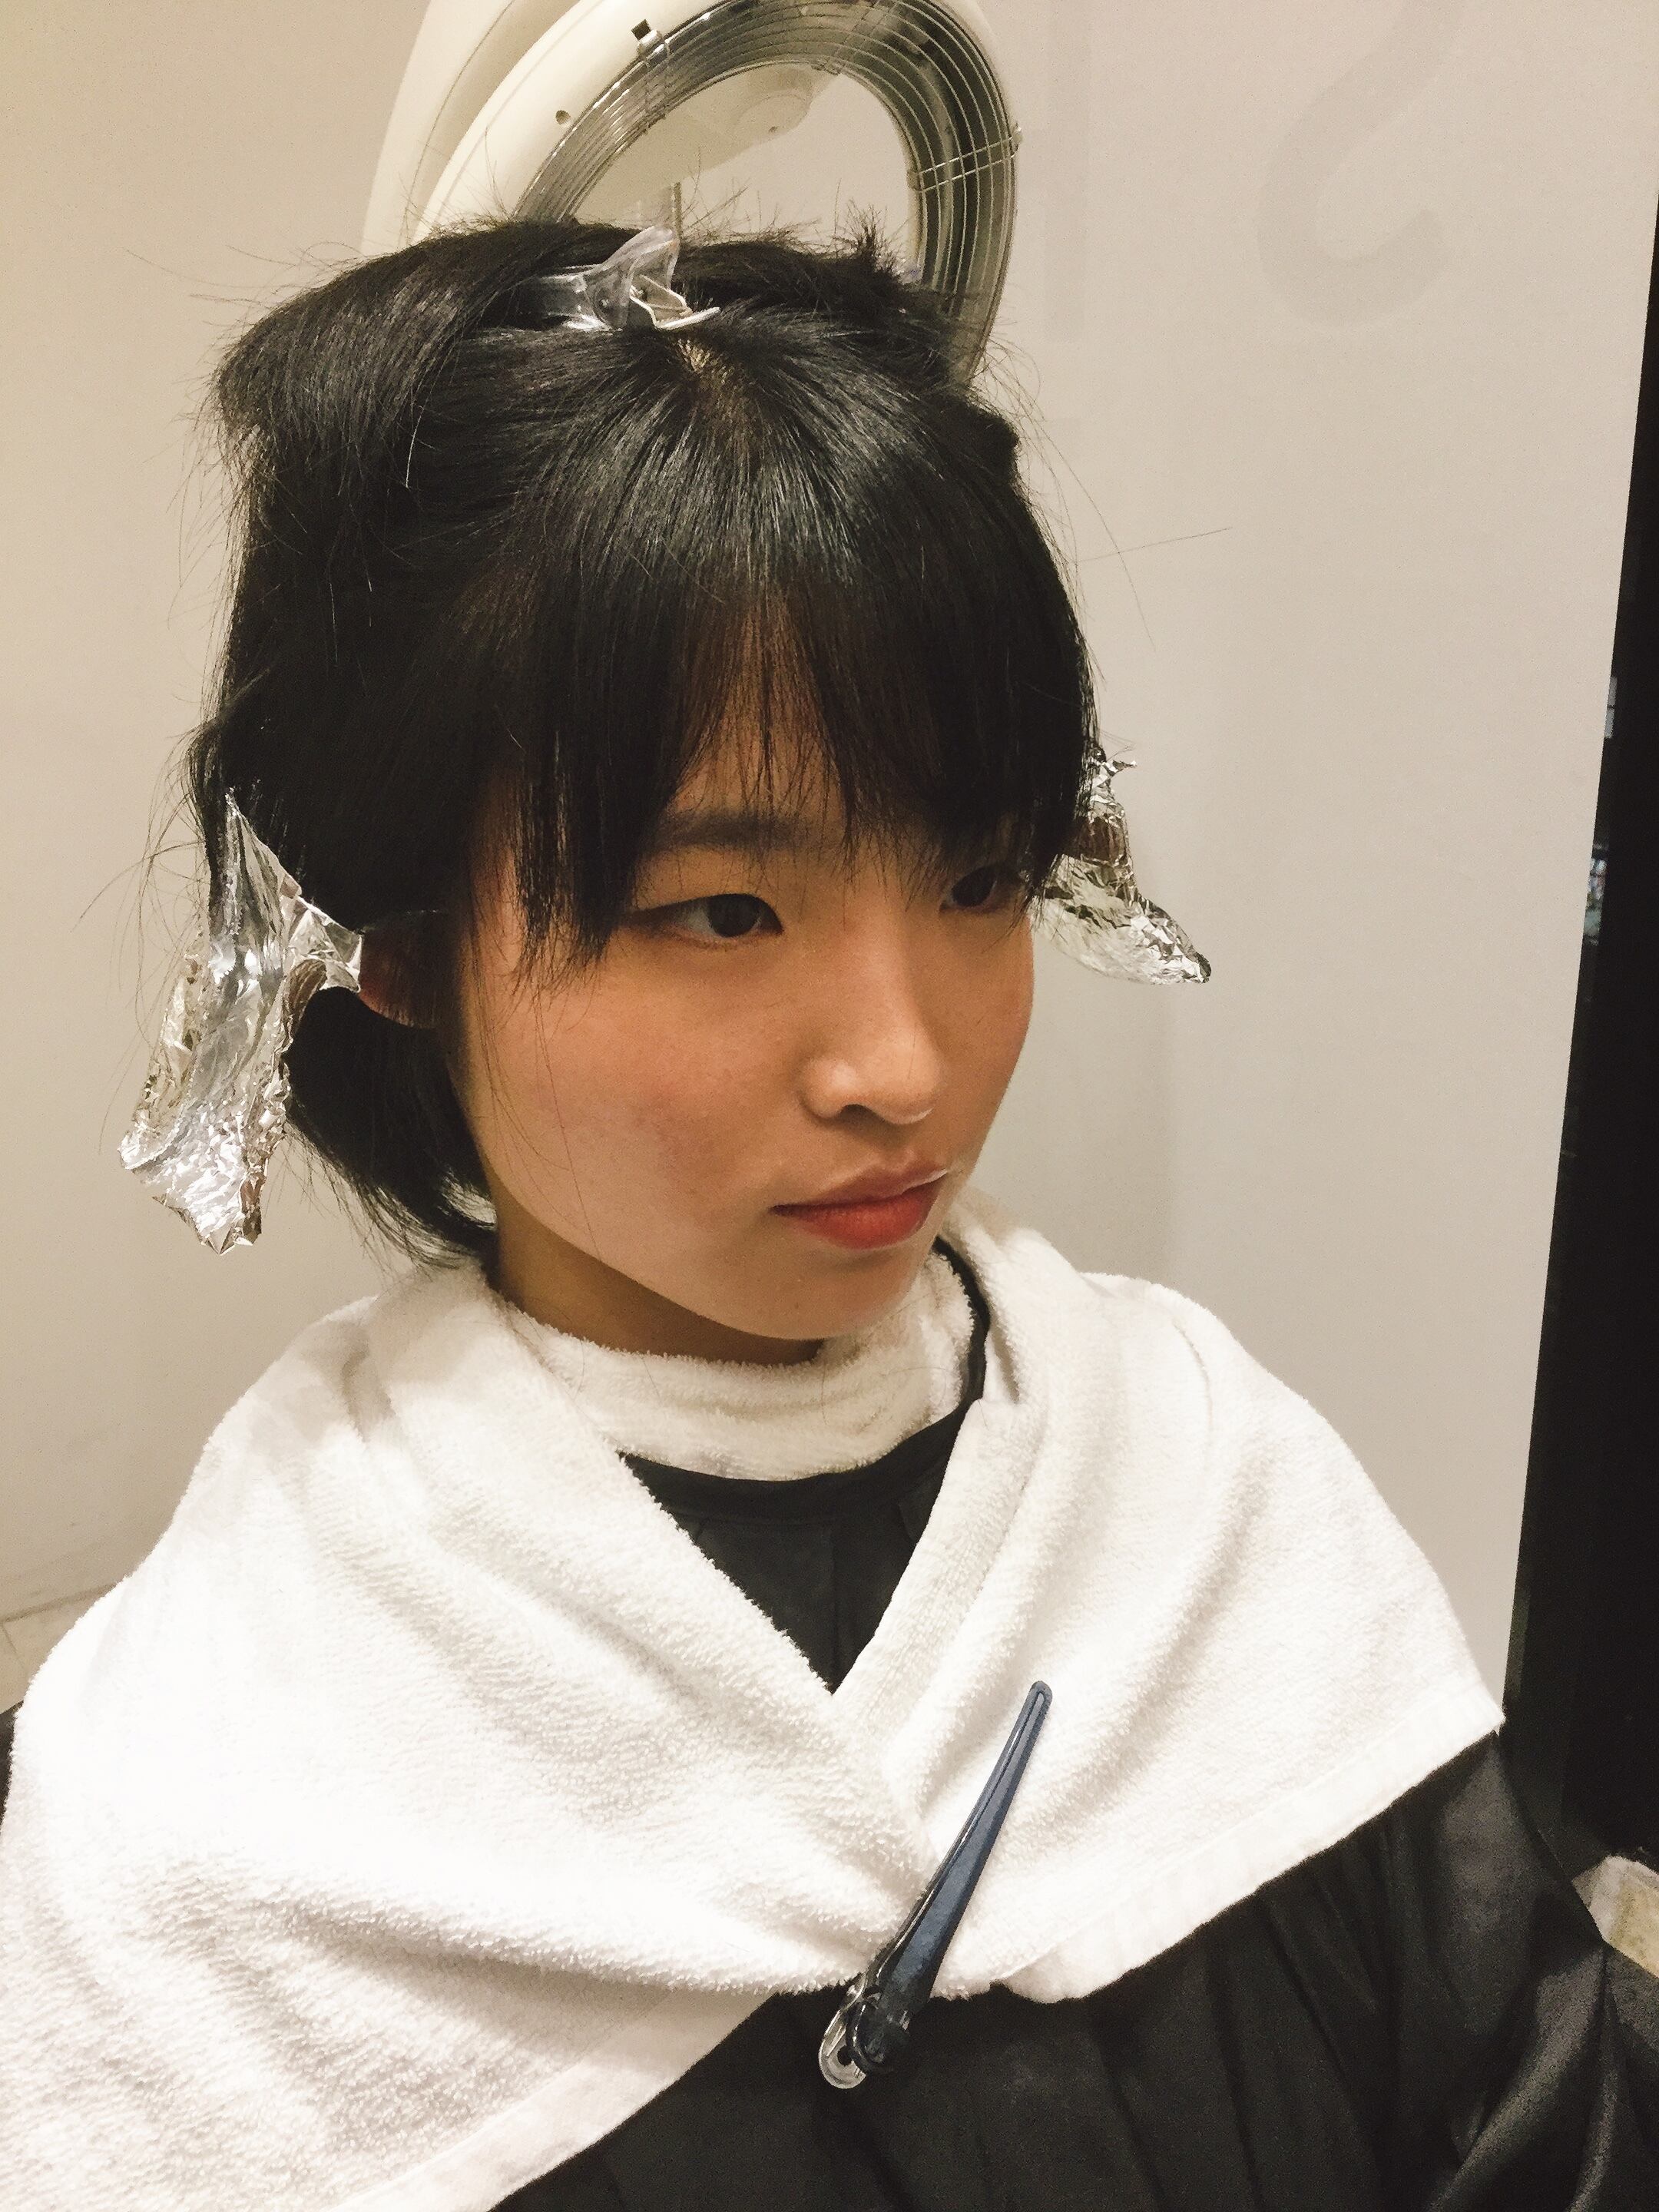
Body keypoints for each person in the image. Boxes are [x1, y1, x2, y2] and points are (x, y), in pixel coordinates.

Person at [0, 219, 1654, 2212]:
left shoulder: (1217, 1493)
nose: (904, 1061)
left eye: (979, 873)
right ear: (399, 939)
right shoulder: (219, 1763)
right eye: (725, 911)